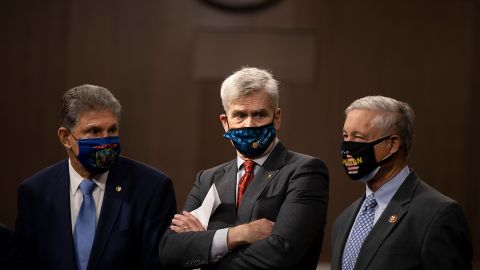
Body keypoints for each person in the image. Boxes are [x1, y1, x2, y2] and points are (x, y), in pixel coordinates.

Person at [159, 67, 329, 270]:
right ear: (225, 122)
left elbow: (281, 254)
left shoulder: (304, 171)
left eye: (259, 115)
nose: (249, 124)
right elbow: (170, 250)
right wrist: (238, 235)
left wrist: (204, 250)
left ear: (277, 118)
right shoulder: (208, 179)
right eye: (240, 115)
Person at [15, 84, 177, 270]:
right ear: (65, 137)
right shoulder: (35, 192)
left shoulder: (151, 188)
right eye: (94, 131)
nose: (106, 140)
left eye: (112, 130)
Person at [331, 95, 473, 270]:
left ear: (392, 144)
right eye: (346, 136)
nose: (348, 148)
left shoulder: (438, 214)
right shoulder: (344, 220)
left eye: (359, 137)